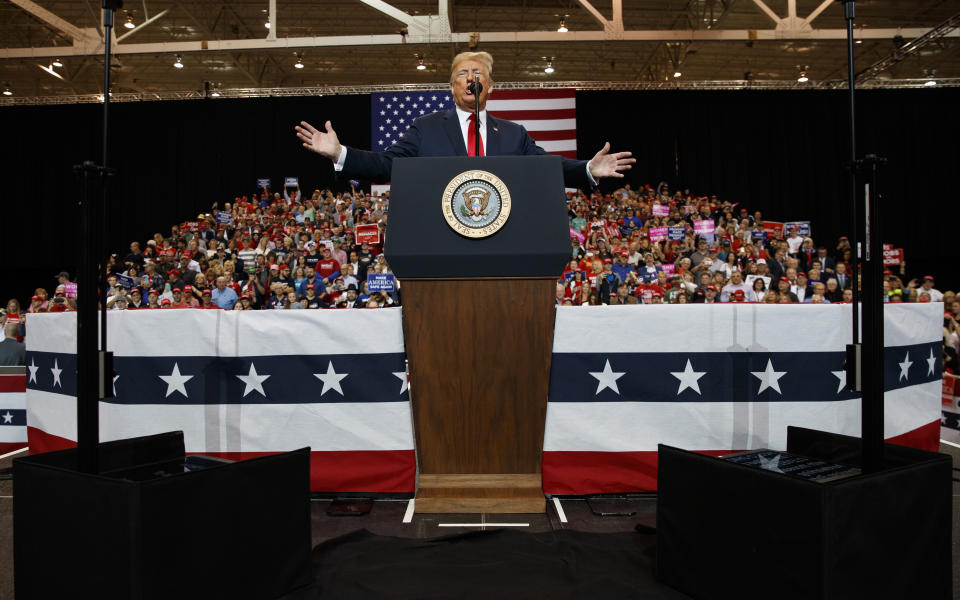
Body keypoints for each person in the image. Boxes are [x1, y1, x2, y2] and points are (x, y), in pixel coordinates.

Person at [296, 51, 634, 189]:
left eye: (478, 73)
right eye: (463, 73)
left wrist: (586, 169)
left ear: (489, 86)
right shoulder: (426, 127)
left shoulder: (514, 135)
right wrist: (341, 154)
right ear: (452, 86)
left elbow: (545, 167)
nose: (471, 77)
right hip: (439, 238)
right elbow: (386, 164)